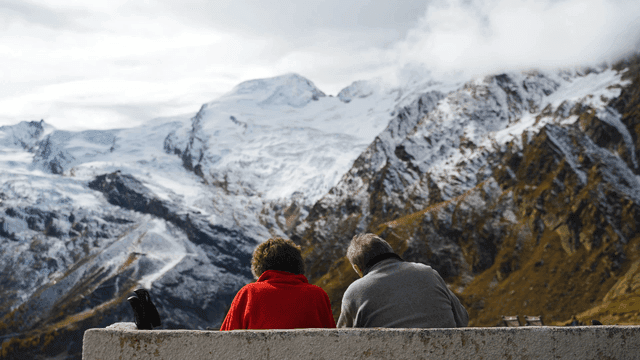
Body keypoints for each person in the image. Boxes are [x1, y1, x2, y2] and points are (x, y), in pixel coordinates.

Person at [337, 233, 469, 328]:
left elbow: (341, 341)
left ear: (357, 268)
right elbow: (462, 319)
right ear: (390, 252)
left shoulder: (355, 291)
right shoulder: (429, 273)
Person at [220, 237, 336, 330]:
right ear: (298, 265)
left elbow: (224, 341)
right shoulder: (318, 295)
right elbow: (333, 340)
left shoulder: (248, 293)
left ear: (258, 267)